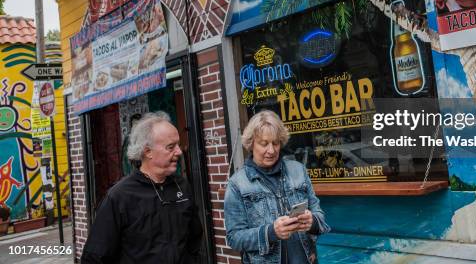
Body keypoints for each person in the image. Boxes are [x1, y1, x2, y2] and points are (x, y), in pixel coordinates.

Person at [81, 111, 203, 263]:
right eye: (170, 147)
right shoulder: (120, 196)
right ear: (147, 151)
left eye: (178, 145)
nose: (179, 151)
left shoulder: (182, 186)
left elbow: (195, 238)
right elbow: (94, 256)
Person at [224, 110, 330, 263]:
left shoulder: (298, 170)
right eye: (264, 143)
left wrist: (312, 221)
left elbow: (320, 216)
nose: (271, 150)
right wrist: (270, 232)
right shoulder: (237, 184)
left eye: (275, 143)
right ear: (251, 143)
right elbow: (234, 238)